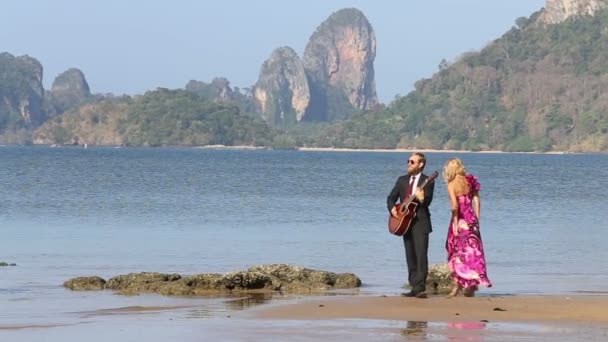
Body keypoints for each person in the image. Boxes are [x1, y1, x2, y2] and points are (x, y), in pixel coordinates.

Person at [387, 152, 435, 298]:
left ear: (421, 164)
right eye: (408, 161)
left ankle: (421, 288)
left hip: (420, 222)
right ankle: (413, 286)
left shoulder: (428, 180)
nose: (409, 164)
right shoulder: (402, 180)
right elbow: (391, 197)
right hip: (405, 221)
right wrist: (393, 208)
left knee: (421, 255)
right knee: (410, 256)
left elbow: (427, 202)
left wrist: (421, 199)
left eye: (412, 162)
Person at [443, 158, 492, 297]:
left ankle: (458, 286)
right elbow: (476, 200)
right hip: (471, 220)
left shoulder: (451, 184)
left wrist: (455, 222)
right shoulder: (470, 181)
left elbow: (454, 206)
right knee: (473, 253)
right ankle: (472, 286)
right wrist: (477, 217)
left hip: (460, 220)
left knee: (457, 253)